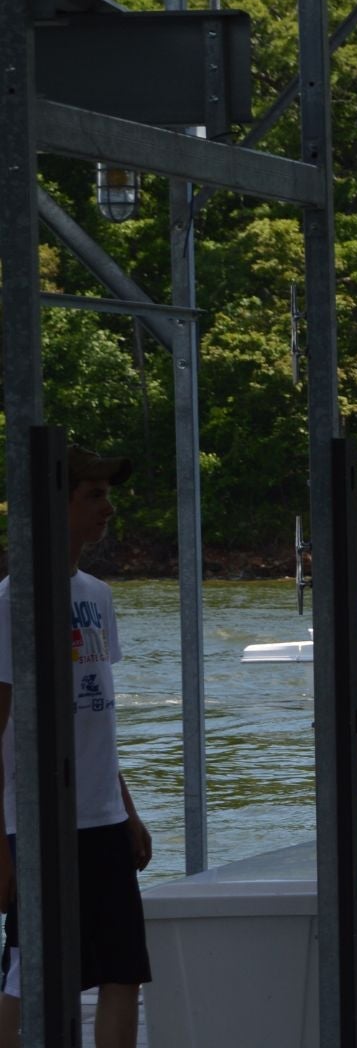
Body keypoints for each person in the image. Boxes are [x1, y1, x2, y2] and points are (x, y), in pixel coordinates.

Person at [0, 446, 155, 1048]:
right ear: (56, 505)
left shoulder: (98, 595)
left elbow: (97, 717)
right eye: (93, 496)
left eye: (106, 495)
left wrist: (129, 812)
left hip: (104, 818)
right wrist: (3, 845)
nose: (108, 508)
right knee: (27, 973)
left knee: (123, 973)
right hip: (38, 825)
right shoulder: (13, 602)